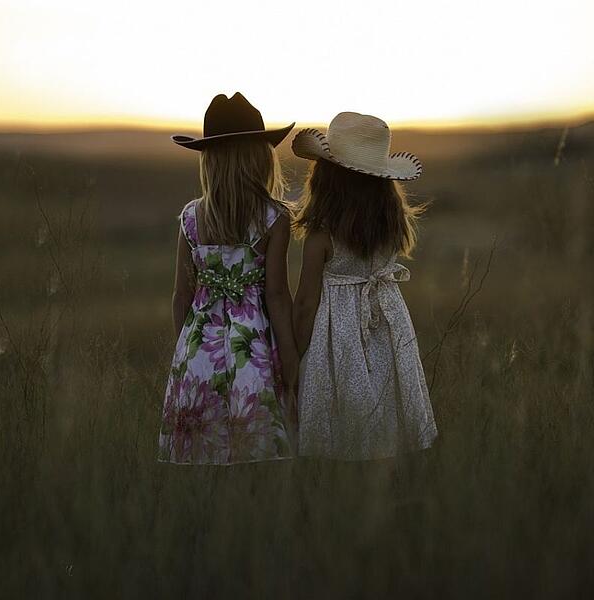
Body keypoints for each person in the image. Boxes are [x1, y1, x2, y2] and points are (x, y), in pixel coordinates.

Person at [158, 92, 298, 465]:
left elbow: (180, 296)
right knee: (253, 455)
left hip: (197, 349)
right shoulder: (274, 218)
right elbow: (278, 296)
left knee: (202, 458)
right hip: (251, 352)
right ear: (259, 158)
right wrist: (291, 361)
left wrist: (184, 356)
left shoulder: (191, 218)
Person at [291, 112, 438, 460]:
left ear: (325, 178)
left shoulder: (321, 236)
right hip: (389, 323)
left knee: (342, 413)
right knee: (389, 403)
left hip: (337, 336)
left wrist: (293, 355)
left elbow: (305, 304)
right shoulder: (389, 226)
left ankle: (345, 488)